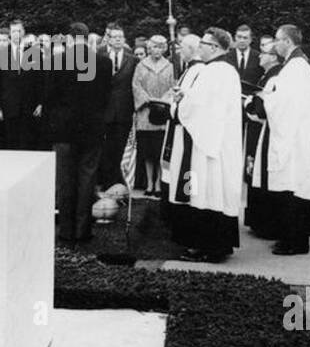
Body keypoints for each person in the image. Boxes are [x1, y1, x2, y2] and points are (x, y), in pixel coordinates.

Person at [162, 27, 242, 262]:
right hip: (211, 141)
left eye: (204, 45)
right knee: (204, 192)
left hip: (209, 146)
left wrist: (179, 101)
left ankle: (209, 246)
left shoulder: (216, 72)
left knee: (205, 193)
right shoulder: (223, 71)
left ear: (215, 48)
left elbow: (199, 107)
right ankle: (211, 245)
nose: (201, 49)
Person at [247, 24, 310, 255]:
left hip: (294, 137)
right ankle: (292, 237)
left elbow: (282, 102)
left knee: (292, 184)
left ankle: (295, 241)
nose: (274, 45)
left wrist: (262, 100)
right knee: (292, 184)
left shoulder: (296, 68)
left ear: (287, 42)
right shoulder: (294, 66)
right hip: (292, 133)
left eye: (277, 40)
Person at [47, 24, 112, 243]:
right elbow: (105, 97)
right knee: (87, 180)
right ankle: (83, 230)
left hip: (64, 130)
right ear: (87, 38)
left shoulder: (57, 61)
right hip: (92, 129)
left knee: (65, 181)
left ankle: (66, 230)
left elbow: (50, 96)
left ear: (70, 38)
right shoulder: (104, 62)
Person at [131, 34, 174, 196]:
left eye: (161, 46)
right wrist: (146, 98)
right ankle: (149, 183)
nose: (157, 50)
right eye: (154, 46)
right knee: (148, 152)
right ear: (149, 48)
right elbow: (135, 85)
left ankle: (158, 184)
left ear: (164, 48)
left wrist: (163, 100)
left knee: (159, 151)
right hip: (145, 111)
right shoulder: (141, 65)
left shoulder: (169, 66)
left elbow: (173, 86)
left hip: (162, 112)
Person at [98, 24, 137, 188]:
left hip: (124, 109)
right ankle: (106, 181)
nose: (118, 40)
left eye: (121, 37)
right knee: (106, 147)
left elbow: (134, 85)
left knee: (121, 146)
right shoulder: (99, 56)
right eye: (115, 37)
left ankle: (119, 181)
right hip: (104, 109)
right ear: (108, 39)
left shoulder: (132, 59)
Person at [0, 20, 40, 150]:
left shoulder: (34, 53)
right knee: (11, 142)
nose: (16, 34)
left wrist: (40, 103)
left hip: (28, 105)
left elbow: (39, 80)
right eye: (14, 31)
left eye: (19, 31)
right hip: (9, 105)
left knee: (28, 142)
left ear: (24, 32)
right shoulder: (0, 54)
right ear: (10, 33)